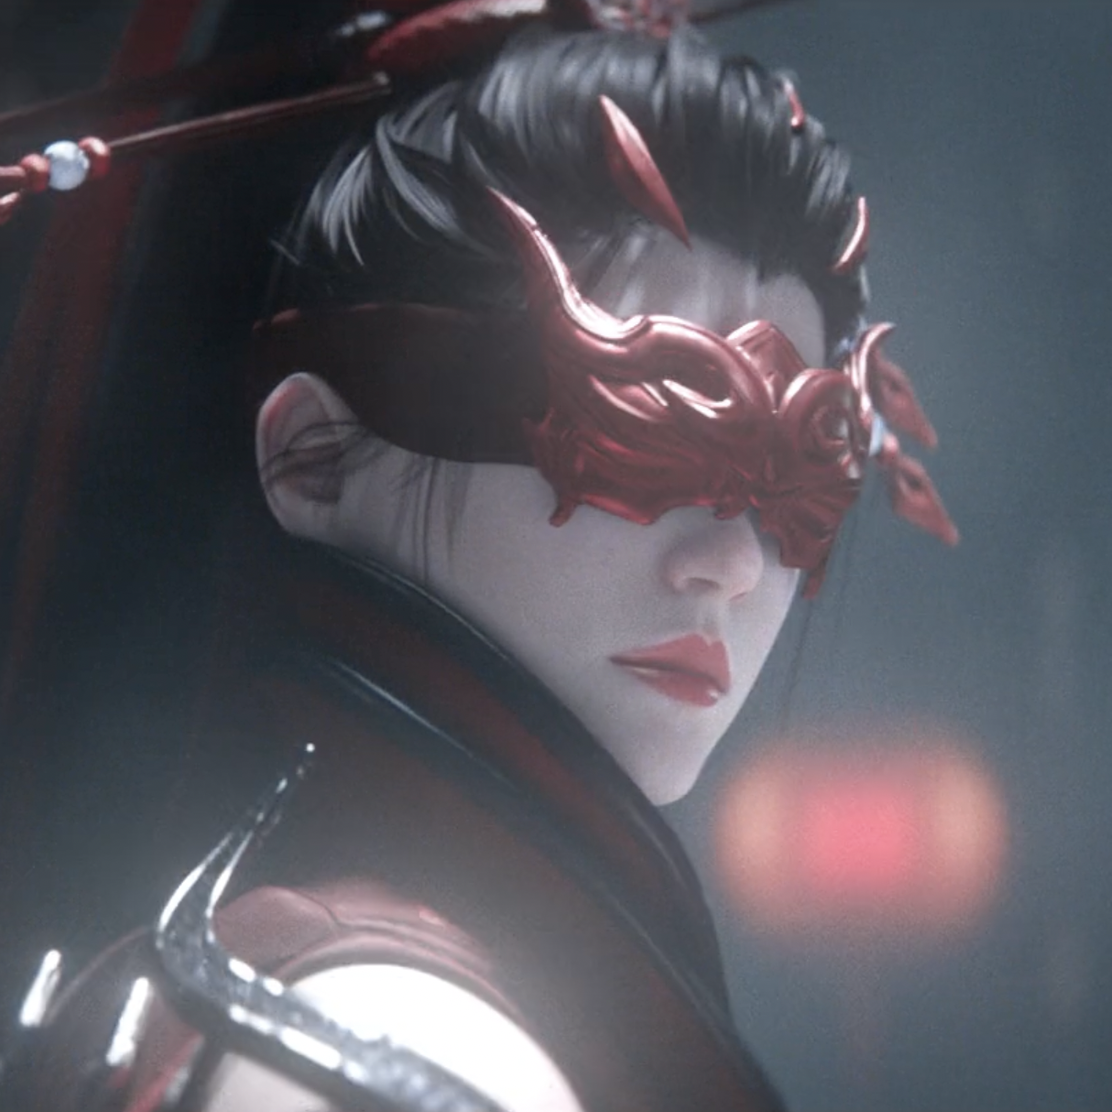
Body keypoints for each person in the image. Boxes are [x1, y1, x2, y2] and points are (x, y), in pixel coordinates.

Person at [0, 7, 953, 1111]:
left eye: (797, 483)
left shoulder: (328, 971)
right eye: (642, 441)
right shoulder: (397, 1033)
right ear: (314, 457)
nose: (732, 562)